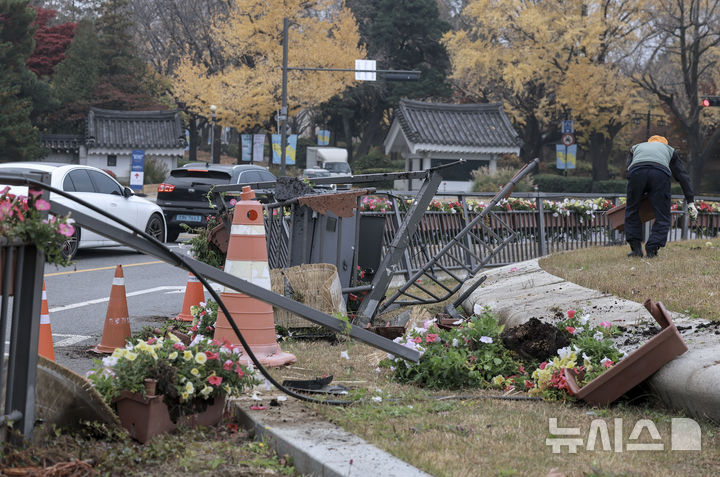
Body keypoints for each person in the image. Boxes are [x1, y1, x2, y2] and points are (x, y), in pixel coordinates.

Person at [625, 135, 697, 258]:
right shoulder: (669, 150)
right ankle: (652, 249)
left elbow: (628, 169)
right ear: (665, 144)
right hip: (660, 174)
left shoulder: (636, 148)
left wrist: (640, 191)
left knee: (632, 210)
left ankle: (636, 249)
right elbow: (682, 176)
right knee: (663, 216)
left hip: (636, 172)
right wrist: (690, 201)